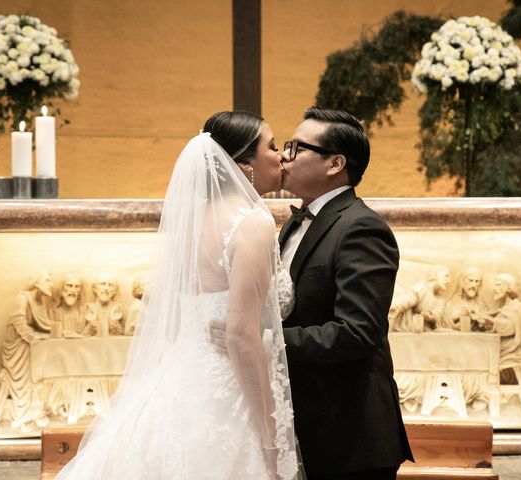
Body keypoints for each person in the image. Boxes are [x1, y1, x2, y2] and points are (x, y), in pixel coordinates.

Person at [56, 112, 301, 479]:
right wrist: (271, 437)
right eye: (272, 145)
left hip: (179, 382)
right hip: (227, 393)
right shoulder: (252, 223)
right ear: (243, 165)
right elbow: (240, 335)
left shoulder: (194, 221)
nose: (281, 155)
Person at [279, 107, 412, 479]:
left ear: (335, 163)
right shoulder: (293, 223)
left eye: (296, 147)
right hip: (306, 424)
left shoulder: (361, 227)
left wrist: (267, 341)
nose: (283, 156)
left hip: (349, 435)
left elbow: (357, 334)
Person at [0, 271, 53, 431]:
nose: (51, 284)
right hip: (17, 346)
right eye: (48, 280)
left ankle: (35, 413)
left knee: (35, 378)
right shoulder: (22, 298)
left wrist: (56, 333)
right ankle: (21, 417)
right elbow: (19, 321)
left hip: (31, 345)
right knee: (22, 381)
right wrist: (34, 337)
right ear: (37, 282)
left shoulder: (39, 301)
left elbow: (44, 324)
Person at [389, 267, 452, 333]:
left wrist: (430, 317)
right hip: (411, 327)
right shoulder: (422, 287)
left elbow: (436, 314)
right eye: (446, 276)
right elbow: (409, 299)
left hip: (425, 329)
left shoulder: (439, 299)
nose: (449, 281)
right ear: (436, 275)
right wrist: (395, 306)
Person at [52, 273, 93, 337]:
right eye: (69, 285)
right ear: (61, 288)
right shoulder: (53, 313)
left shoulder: (85, 313)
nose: (73, 290)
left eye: (77, 286)